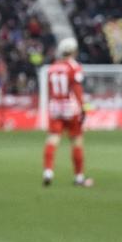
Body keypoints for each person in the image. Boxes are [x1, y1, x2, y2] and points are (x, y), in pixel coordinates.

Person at [43, 37, 93, 187]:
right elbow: (77, 89)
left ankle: (48, 171)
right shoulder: (74, 67)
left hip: (55, 106)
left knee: (53, 138)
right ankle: (78, 177)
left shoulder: (52, 67)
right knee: (76, 140)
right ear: (73, 51)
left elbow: (50, 90)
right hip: (70, 107)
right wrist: (83, 107)